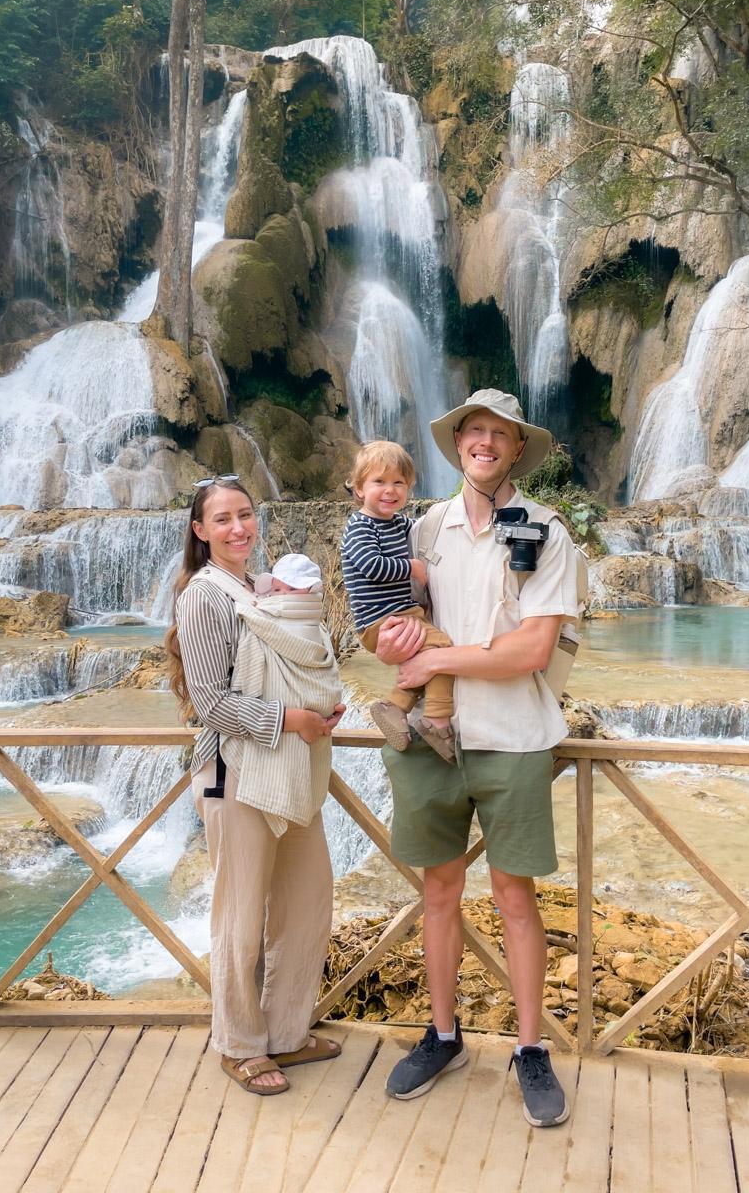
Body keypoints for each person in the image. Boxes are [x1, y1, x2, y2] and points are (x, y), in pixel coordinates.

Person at [373, 390, 587, 1128]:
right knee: (436, 894)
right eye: (474, 432)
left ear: (516, 449)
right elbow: (388, 622)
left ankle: (531, 1050)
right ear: (458, 442)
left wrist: (442, 663)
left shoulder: (546, 531)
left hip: (514, 738)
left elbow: (531, 649)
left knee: (515, 899)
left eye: (500, 434)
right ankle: (443, 1035)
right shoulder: (425, 526)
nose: (485, 443)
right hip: (434, 742)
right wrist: (393, 647)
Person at [166, 476, 346, 1096]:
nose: (238, 528)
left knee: (306, 902)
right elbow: (210, 703)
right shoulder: (205, 598)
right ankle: (240, 1045)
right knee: (240, 913)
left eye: (245, 515)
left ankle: (286, 1033)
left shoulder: (264, 588)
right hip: (228, 772)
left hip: (287, 766)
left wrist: (317, 708)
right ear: (200, 531)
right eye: (223, 520)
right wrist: (289, 720)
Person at [340, 440, 456, 761]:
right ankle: (436, 718)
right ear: (360, 488)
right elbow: (372, 567)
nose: (390, 490)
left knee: (427, 658)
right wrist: (412, 567)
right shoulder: (360, 527)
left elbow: (424, 528)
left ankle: (394, 707)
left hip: (399, 615)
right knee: (443, 649)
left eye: (398, 483)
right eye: (379, 482)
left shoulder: (396, 523)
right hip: (381, 621)